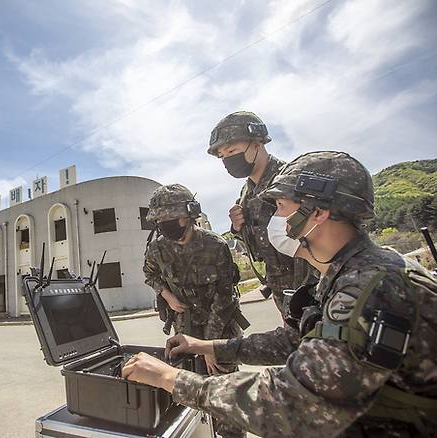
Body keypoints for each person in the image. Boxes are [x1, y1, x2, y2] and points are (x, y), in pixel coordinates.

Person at [124, 152, 437, 437]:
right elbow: (293, 341)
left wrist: (170, 379)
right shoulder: (346, 273)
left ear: (318, 213)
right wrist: (209, 346)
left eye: (281, 207)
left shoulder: (370, 289)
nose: (274, 218)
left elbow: (290, 405)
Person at [143, 183, 248, 438]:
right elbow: (149, 274)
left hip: (219, 329)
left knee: (224, 393)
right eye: (159, 221)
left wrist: (209, 345)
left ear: (188, 215)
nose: (164, 225)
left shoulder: (215, 245)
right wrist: (166, 295)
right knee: (190, 392)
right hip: (185, 328)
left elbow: (225, 298)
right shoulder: (158, 248)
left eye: (169, 219)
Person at [207, 111, 315, 314]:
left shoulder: (291, 179)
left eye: (232, 150)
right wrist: (238, 228)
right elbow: (261, 243)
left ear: (257, 142)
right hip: (281, 289)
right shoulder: (247, 193)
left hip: (311, 288)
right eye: (223, 156)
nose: (228, 160)